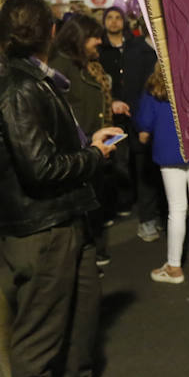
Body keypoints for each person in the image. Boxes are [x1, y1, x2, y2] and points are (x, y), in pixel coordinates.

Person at [0, 0, 121, 377]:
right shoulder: (19, 86)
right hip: (42, 228)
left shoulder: (33, 79)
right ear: (53, 33)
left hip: (65, 216)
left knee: (81, 325)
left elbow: (45, 147)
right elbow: (40, 168)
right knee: (40, 340)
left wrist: (89, 140)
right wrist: (94, 155)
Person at [135, 63, 189, 284]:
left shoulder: (154, 89)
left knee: (177, 209)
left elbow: (143, 128)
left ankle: (174, 267)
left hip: (169, 152)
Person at [49, 14, 116, 267]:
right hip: (76, 151)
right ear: (78, 38)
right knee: (82, 209)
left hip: (93, 147)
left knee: (93, 204)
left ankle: (93, 252)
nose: (99, 41)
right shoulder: (61, 67)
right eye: (94, 37)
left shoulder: (87, 63)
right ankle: (85, 257)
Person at [97, 6, 160, 240]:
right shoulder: (107, 51)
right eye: (109, 18)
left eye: (117, 18)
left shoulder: (136, 49)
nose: (113, 22)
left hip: (143, 118)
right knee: (120, 161)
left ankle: (149, 214)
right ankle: (126, 203)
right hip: (118, 118)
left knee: (145, 165)